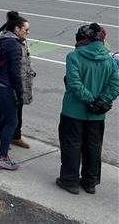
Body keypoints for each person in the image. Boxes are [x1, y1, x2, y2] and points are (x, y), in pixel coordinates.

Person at [56, 23, 119, 195]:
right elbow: (115, 84)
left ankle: (70, 181)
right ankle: (90, 182)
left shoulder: (74, 57)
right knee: (93, 147)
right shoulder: (110, 60)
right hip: (97, 115)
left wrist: (90, 100)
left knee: (71, 145)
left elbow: (74, 83)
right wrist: (101, 102)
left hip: (73, 111)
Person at [0, 11, 30, 170]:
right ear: (17, 29)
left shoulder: (2, 38)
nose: (28, 32)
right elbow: (15, 72)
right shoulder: (15, 45)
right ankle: (3, 157)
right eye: (26, 29)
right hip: (6, 87)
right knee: (12, 121)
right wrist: (20, 92)